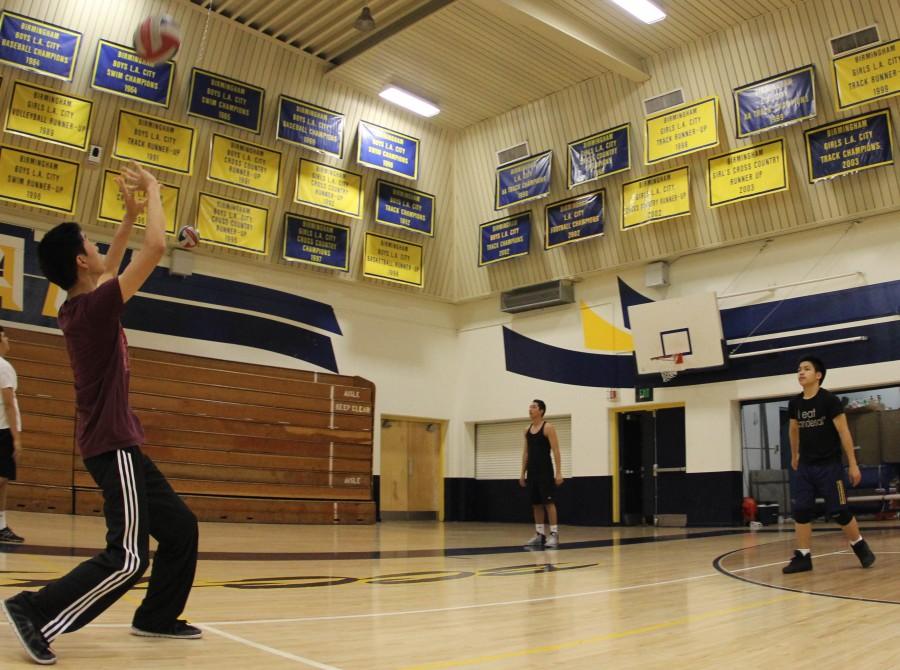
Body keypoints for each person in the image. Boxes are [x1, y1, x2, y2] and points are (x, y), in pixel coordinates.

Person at [2, 163, 200, 666]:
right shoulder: (93, 312)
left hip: (116, 442)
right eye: (90, 246)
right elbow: (155, 251)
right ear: (79, 261)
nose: (98, 251)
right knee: (129, 556)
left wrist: (129, 215)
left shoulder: (78, 304)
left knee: (180, 528)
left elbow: (111, 264)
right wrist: (155, 189)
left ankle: (156, 618)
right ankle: (34, 611)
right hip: (112, 446)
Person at [782, 355, 875, 574]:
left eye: (806, 369)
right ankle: (803, 557)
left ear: (818, 375)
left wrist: (853, 464)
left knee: (839, 511)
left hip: (830, 466)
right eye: (799, 369)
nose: (801, 372)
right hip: (806, 466)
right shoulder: (795, 403)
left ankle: (859, 545)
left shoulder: (829, 401)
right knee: (802, 509)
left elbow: (844, 432)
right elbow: (793, 430)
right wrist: (795, 455)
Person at [519, 399, 564, 548]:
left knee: (548, 503)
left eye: (533, 407)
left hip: (545, 471)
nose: (530, 409)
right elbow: (526, 453)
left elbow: (556, 450)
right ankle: (539, 535)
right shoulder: (527, 430)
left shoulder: (548, 427)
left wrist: (558, 472)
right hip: (532, 472)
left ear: (541, 411)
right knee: (536, 504)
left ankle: (554, 534)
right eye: (529, 406)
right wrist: (522, 473)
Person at [0, 325, 24, 544]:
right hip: (3, 431)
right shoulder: (4, 367)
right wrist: (16, 439)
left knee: (3, 480)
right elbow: (8, 405)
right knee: (2, 479)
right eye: (4, 336)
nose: (7, 340)